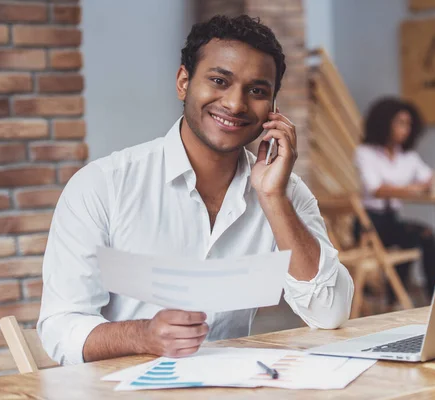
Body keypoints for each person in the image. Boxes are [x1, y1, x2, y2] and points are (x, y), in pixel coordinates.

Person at [38, 15, 353, 365]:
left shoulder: (284, 192)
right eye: (219, 81)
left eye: (257, 91)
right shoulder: (102, 186)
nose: (235, 104)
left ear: (274, 110)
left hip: (232, 386)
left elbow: (330, 313)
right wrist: (144, 335)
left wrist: (273, 198)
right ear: (183, 82)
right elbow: (60, 326)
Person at [354, 97, 435, 303]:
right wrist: (412, 189)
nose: (406, 129)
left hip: (392, 220)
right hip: (370, 224)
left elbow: (428, 177)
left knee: (426, 235)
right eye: (400, 123)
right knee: (409, 238)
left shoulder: (408, 157)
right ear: (384, 123)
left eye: (409, 124)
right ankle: (395, 299)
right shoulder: (365, 153)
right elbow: (376, 189)